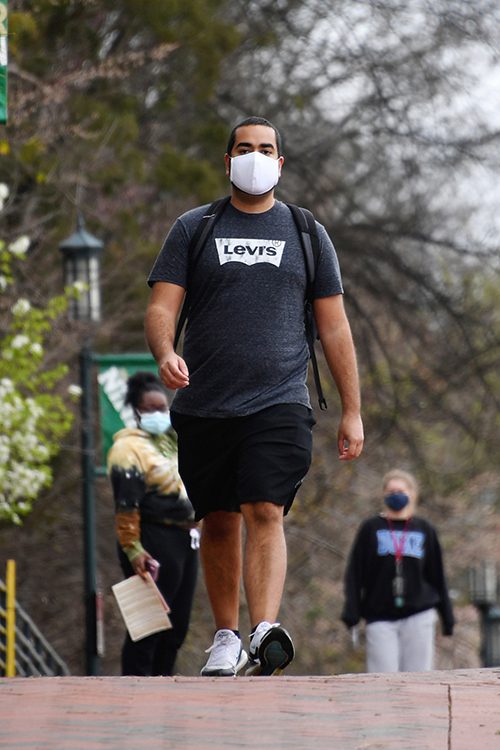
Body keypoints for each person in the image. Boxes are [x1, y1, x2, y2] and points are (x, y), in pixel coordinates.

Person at [144, 115, 364, 677]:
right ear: (228, 161)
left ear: (281, 163)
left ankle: (264, 627)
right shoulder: (194, 228)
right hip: (205, 401)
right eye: (245, 148)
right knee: (217, 520)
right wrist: (165, 352)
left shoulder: (307, 232)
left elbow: (335, 328)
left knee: (265, 507)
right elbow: (162, 307)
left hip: (280, 399)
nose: (255, 156)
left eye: (266, 148)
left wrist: (352, 410)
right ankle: (226, 637)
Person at [107, 371, 199, 676]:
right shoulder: (127, 448)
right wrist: (133, 548)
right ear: (136, 412)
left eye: (163, 408)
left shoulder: (173, 444)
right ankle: (137, 687)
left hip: (185, 540)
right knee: (147, 627)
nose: (159, 414)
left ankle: (163, 686)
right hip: (152, 536)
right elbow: (126, 505)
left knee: (176, 628)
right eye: (151, 409)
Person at [341, 468, 454, 673]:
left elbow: (437, 574)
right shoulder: (371, 528)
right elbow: (355, 574)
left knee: (418, 676)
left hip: (419, 613)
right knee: (382, 677)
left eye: (401, 490)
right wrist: (352, 611)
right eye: (391, 491)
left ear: (412, 493)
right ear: (383, 495)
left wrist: (447, 616)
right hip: (380, 616)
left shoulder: (424, 529)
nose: (396, 495)